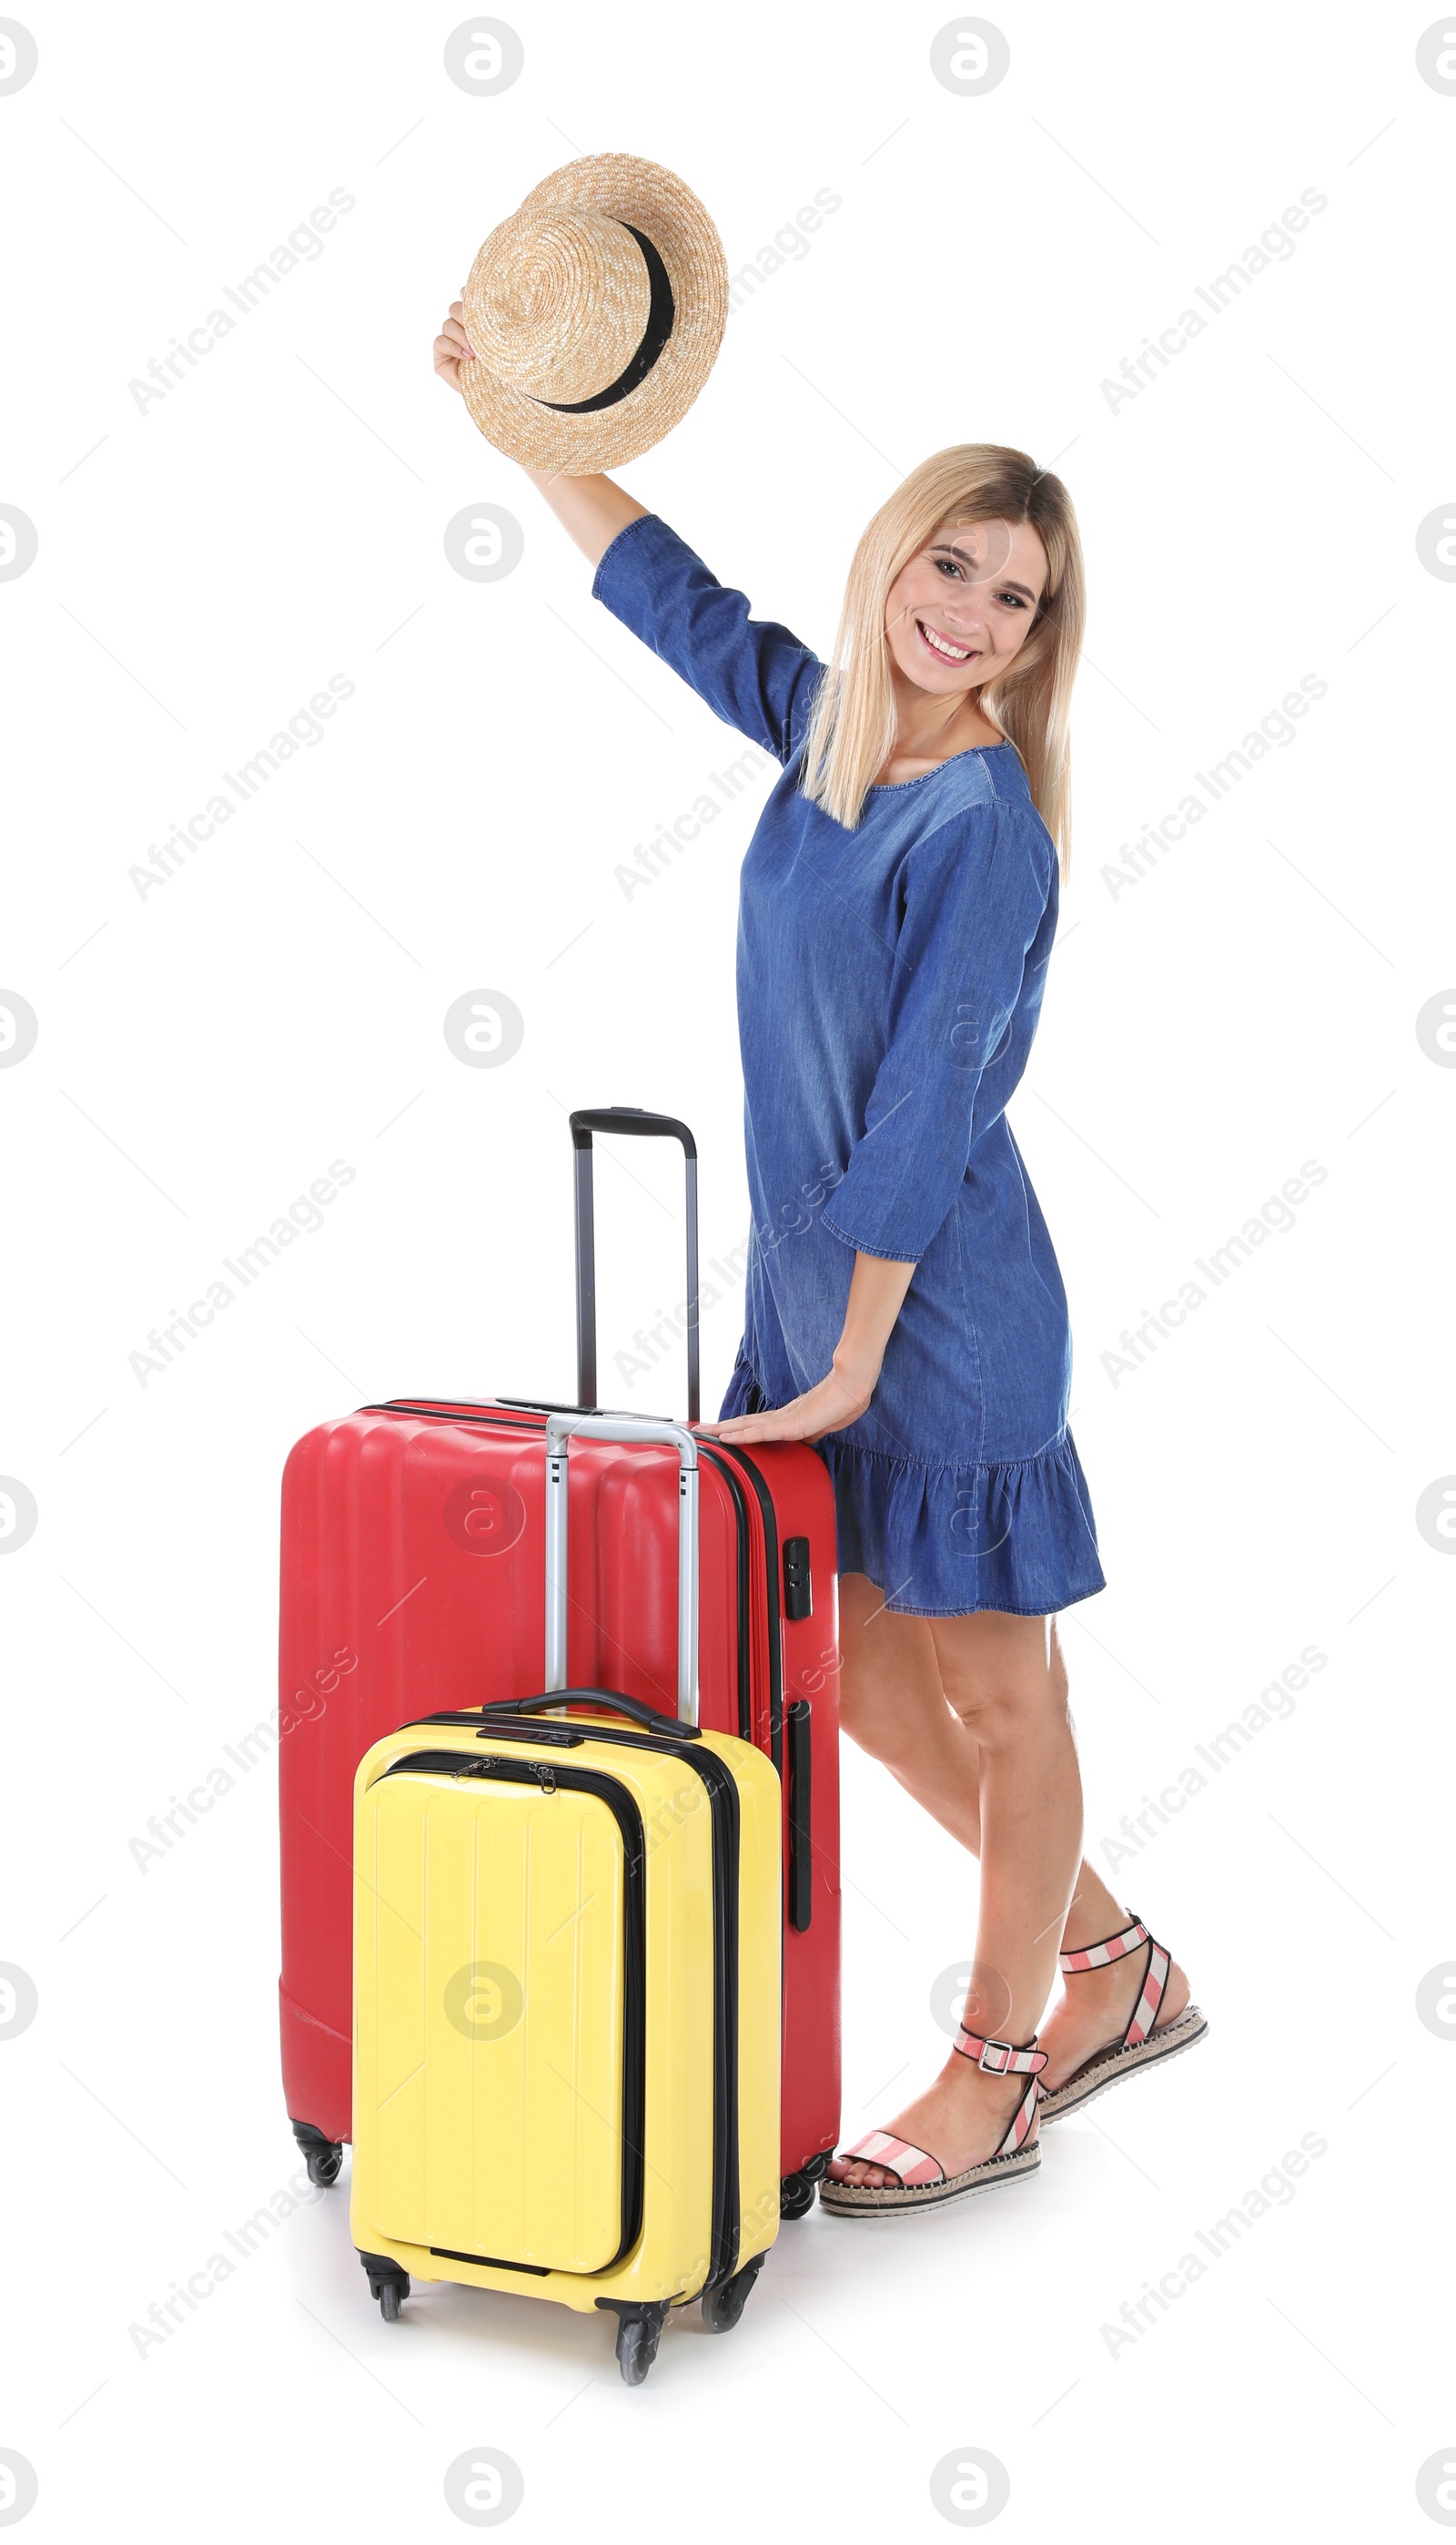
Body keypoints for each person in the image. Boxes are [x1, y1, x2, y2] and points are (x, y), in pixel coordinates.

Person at [434, 300, 1208, 2212]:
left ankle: (998, 2065)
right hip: (812, 1315)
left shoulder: (986, 830)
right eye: (947, 562)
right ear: (891, 561)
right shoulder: (820, 732)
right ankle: (1107, 1959)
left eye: (1010, 599)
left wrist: (854, 1361)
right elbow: (667, 591)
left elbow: (922, 1125)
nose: (964, 610)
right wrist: (510, 417)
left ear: (1038, 646)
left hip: (936, 1322)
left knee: (1001, 1698)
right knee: (850, 1676)